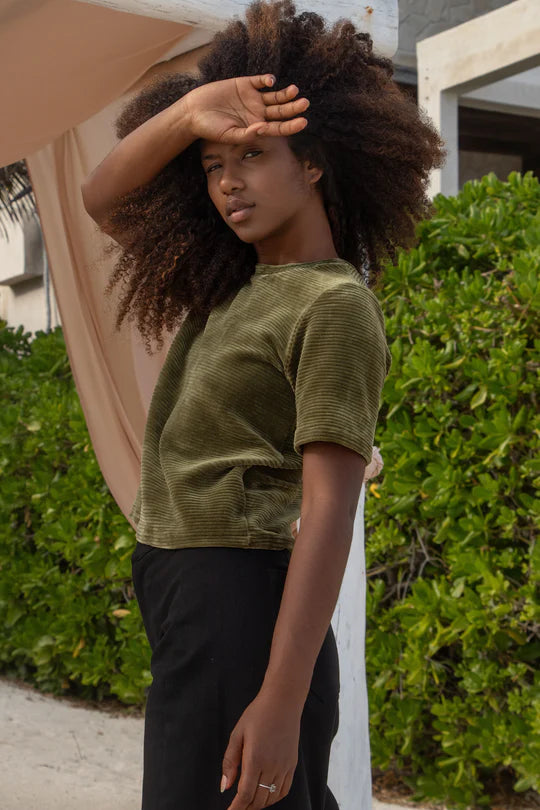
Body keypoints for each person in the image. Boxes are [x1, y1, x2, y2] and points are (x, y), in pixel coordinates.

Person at [81, 1, 444, 807]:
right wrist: (186, 112)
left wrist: (280, 701)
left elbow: (330, 511)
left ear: (313, 161)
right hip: (193, 596)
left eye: (251, 154)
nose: (227, 184)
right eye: (212, 166)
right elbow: (101, 198)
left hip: (239, 599)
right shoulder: (237, 285)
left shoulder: (334, 305)